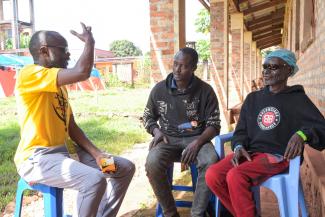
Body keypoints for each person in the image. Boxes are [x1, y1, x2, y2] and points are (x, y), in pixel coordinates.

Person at [14, 23, 135, 217]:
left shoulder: (58, 86)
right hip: (38, 159)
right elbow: (82, 72)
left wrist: (96, 154)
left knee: (123, 168)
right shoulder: (29, 74)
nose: (68, 55)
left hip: (66, 155)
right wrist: (90, 43)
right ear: (44, 51)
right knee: (94, 180)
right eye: (64, 50)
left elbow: (71, 127)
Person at [205, 49, 325, 217]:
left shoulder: (297, 100)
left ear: (288, 70)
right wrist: (238, 146)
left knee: (235, 176)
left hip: (278, 155)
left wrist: (302, 135)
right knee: (213, 174)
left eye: (274, 67)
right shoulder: (253, 99)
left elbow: (321, 128)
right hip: (251, 154)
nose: (267, 71)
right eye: (265, 67)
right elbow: (241, 131)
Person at [143, 47, 221, 217]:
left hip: (198, 138)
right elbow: (148, 117)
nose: (177, 70)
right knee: (152, 163)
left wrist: (198, 142)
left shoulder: (205, 91)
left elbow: (214, 125)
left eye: (183, 66)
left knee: (211, 160)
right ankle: (170, 212)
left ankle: (197, 213)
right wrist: (157, 132)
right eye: (175, 64)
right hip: (168, 139)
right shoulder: (159, 90)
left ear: (193, 68)